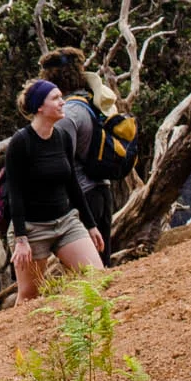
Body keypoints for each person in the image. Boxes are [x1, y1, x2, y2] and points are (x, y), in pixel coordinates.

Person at [6, 78, 106, 302]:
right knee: (30, 296)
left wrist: (90, 225)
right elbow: (15, 192)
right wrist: (21, 239)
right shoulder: (21, 142)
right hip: (32, 229)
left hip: (65, 222)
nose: (63, 102)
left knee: (97, 278)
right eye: (56, 98)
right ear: (40, 107)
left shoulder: (61, 137)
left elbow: (72, 184)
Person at [39, 46, 116, 258]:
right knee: (101, 261)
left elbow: (62, 164)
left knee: (86, 269)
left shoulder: (69, 114)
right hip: (101, 191)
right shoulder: (89, 101)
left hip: (82, 196)